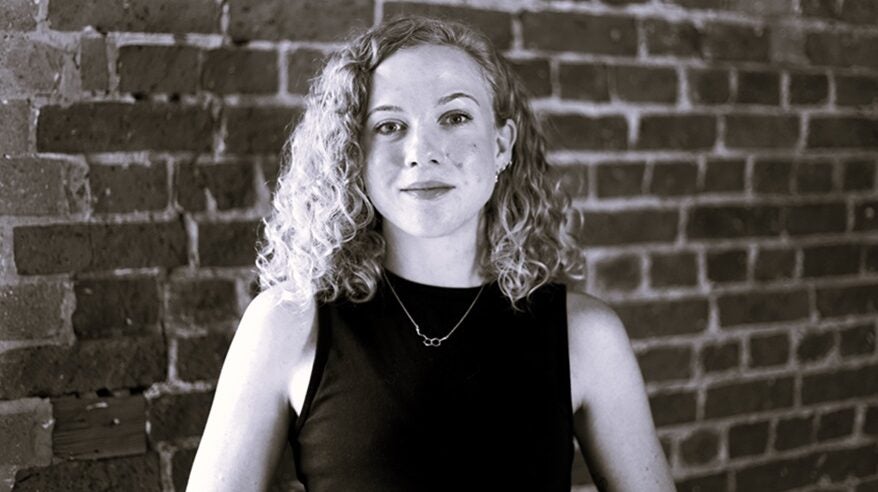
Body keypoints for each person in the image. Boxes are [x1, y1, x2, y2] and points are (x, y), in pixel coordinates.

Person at [187, 16, 675, 492]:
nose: (422, 151)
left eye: (455, 117)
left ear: (502, 145)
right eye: (390, 126)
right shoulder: (288, 324)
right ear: (353, 152)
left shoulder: (587, 336)